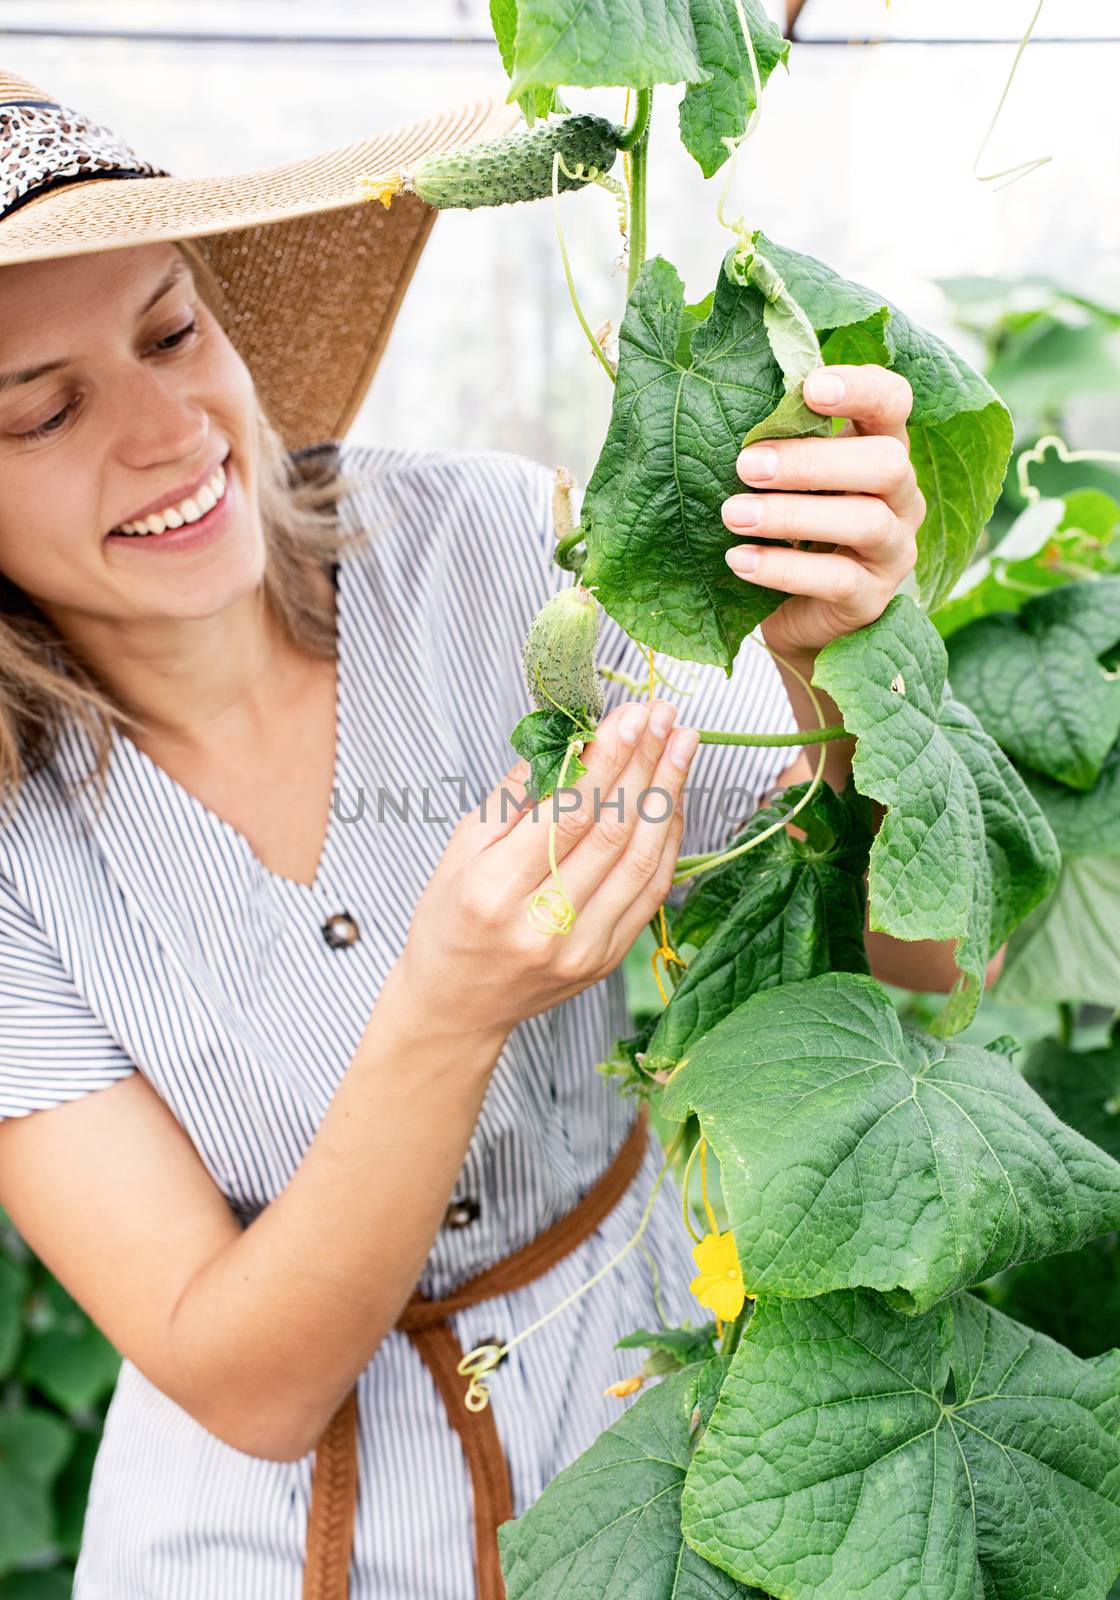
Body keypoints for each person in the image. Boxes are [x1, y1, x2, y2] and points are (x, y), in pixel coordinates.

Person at [0, 66, 989, 1600]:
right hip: (250, 1543)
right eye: (43, 411)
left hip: (646, 1452)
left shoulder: (484, 549)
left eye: (173, 329)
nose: (166, 429)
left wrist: (834, 667)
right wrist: (445, 1010)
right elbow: (246, 1384)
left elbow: (919, 967)